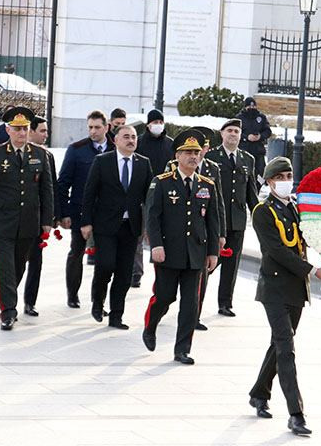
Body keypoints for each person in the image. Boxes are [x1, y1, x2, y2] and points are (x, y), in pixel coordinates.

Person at [248, 156, 321, 436]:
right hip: (274, 288)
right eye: (280, 177)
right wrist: (312, 270)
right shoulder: (262, 212)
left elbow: (311, 237)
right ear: (270, 181)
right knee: (287, 348)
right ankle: (296, 413)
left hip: (296, 290)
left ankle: (259, 393)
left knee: (280, 343)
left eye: (289, 176)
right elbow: (277, 251)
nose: (287, 181)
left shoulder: (298, 209)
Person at [142, 130, 220, 365]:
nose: (193, 157)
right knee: (165, 297)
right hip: (168, 251)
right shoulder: (162, 182)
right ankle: (151, 325)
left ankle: (182, 349)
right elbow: (152, 216)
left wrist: (213, 251)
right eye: (188, 152)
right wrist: (156, 245)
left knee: (191, 304)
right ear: (177, 155)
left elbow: (213, 221)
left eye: (196, 152)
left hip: (195, 254)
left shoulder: (207, 185)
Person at [0, 106, 54, 330]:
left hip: (29, 222)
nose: (22, 133)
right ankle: (8, 311)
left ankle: (7, 295)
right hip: (1, 223)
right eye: (17, 129)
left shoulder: (39, 154)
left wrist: (47, 219)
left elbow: (46, 189)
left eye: (25, 129)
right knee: (6, 267)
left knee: (19, 266)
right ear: (8, 130)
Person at [80, 125, 152, 329]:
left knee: (124, 272)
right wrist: (86, 221)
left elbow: (150, 198)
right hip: (106, 225)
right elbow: (89, 192)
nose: (131, 140)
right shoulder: (103, 161)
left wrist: (150, 227)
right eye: (126, 137)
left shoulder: (143, 164)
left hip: (131, 227)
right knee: (105, 265)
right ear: (116, 140)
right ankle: (97, 301)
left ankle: (116, 315)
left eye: (134, 137)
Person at [167, 126, 226, 331]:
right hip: (174, 239)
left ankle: (193, 322)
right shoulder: (169, 171)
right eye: (190, 151)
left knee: (194, 292)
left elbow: (216, 208)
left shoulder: (212, 171)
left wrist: (220, 235)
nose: (196, 154)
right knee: (166, 295)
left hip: (199, 241)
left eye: (199, 149)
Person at [56, 110, 110, 308]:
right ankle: (73, 294)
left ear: (107, 127)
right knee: (77, 252)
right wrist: (64, 213)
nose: (93, 131)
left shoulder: (115, 148)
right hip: (80, 211)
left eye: (97, 127)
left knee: (105, 258)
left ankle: (99, 299)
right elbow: (63, 183)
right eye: (90, 127)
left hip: (106, 213)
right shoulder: (77, 149)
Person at [205, 119, 259, 316]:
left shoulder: (247, 159)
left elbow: (251, 192)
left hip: (237, 222)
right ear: (222, 134)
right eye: (229, 131)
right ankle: (195, 299)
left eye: (236, 131)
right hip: (216, 222)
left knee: (231, 266)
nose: (233, 134)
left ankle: (225, 303)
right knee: (208, 263)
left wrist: (259, 215)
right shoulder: (211, 157)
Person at [20, 115, 57, 316]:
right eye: (42, 131)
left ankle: (29, 302)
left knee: (36, 261)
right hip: (16, 219)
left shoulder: (47, 156)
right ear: (31, 131)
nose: (46, 135)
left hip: (37, 219)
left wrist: (52, 217)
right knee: (15, 263)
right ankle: (8, 298)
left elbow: (52, 188)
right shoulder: (14, 152)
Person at [133, 109, 173, 287]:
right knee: (139, 235)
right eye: (154, 122)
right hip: (143, 195)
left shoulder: (170, 144)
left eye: (160, 122)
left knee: (163, 235)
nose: (158, 125)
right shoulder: (140, 143)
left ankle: (163, 270)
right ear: (148, 124)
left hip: (166, 195)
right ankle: (136, 272)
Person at [237, 97, 273, 164]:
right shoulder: (239, 118)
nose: (251, 108)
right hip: (244, 150)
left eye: (253, 106)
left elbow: (268, 131)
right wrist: (247, 137)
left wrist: (260, 136)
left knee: (260, 172)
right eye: (249, 106)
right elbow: (236, 132)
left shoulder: (261, 117)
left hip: (258, 151)